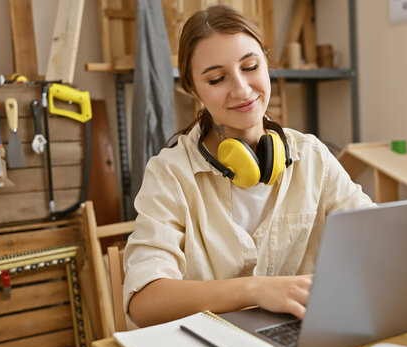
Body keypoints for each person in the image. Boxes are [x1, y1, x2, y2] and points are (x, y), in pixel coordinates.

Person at [124, 4, 374, 328]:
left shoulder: (313, 157)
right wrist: (256, 290)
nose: (242, 90)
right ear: (193, 88)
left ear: (267, 63)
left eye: (251, 66)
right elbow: (144, 301)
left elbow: (373, 240)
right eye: (217, 78)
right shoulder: (170, 174)